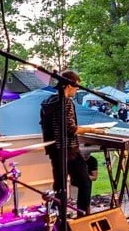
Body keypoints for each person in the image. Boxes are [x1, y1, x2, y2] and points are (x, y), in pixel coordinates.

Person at [41, 71, 97, 214]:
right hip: (69, 149)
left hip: (54, 150)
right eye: (76, 86)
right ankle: (83, 215)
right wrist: (94, 130)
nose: (77, 89)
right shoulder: (66, 102)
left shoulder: (48, 102)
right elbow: (71, 129)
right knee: (85, 182)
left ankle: (59, 217)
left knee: (60, 186)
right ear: (68, 85)